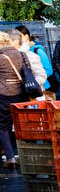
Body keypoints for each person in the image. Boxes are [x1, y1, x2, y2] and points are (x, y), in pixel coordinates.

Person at [0, 30, 29, 166]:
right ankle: (28, 156)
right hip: (22, 94)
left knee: (3, 127)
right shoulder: (22, 55)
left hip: (4, 96)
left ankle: (11, 157)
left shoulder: (0, 57)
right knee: (22, 125)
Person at [14, 25, 51, 92]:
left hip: (40, 88)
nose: (17, 39)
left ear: (26, 36)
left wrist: (32, 80)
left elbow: (49, 70)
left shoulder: (37, 50)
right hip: (27, 88)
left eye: (19, 36)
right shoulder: (17, 51)